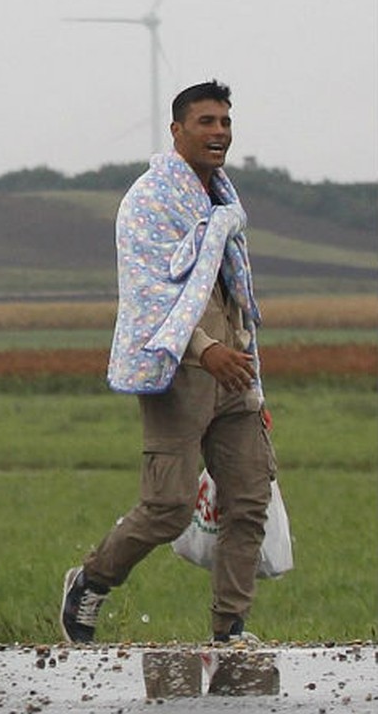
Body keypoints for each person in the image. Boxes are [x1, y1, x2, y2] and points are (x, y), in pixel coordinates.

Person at [60, 80, 276, 644]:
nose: (219, 132)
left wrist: (251, 373)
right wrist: (208, 350)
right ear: (177, 130)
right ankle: (91, 579)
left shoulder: (224, 202)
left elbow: (233, 292)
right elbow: (149, 296)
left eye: (225, 122)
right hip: (180, 369)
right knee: (168, 506)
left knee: (249, 502)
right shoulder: (149, 201)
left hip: (237, 372)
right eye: (206, 122)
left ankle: (230, 629)